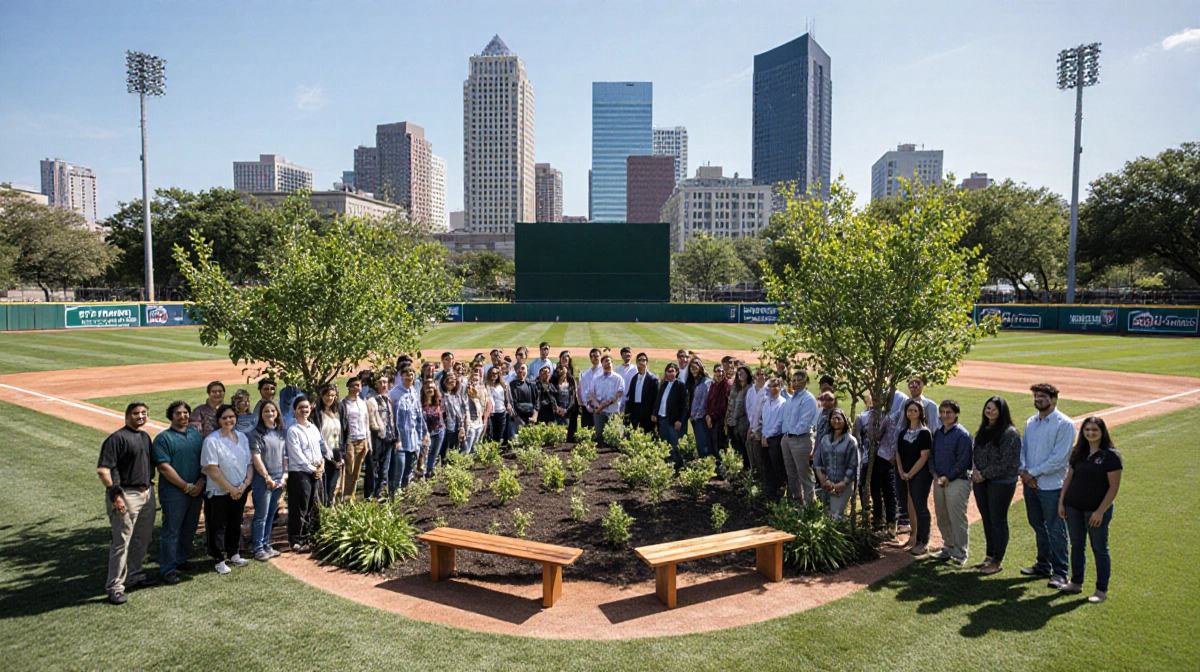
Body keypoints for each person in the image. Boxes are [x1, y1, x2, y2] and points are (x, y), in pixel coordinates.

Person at [98, 402, 157, 604]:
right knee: (121, 543)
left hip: (146, 493)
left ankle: (135, 574)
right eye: (136, 413)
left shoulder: (144, 436)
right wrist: (116, 496)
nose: (141, 416)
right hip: (125, 494)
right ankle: (115, 586)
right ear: (127, 416)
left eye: (144, 413)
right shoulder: (117, 438)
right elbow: (104, 470)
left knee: (143, 537)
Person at [1059, 417, 1122, 603]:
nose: (1090, 433)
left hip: (1095, 511)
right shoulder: (1078, 452)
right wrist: (1061, 502)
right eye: (1087, 430)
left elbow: (1113, 488)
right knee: (1077, 545)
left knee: (1100, 549)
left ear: (1102, 432)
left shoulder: (1111, 456)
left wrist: (1100, 511)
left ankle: (1101, 590)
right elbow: (1068, 479)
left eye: (1095, 430)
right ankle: (1076, 582)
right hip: (1073, 507)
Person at [1020, 383, 1075, 589]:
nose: (1038, 399)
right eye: (1036, 396)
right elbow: (1023, 450)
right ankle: (1043, 565)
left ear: (1053, 399)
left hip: (1052, 486)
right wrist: (1024, 472)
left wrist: (1031, 473)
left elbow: (1059, 459)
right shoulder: (1031, 422)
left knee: (1056, 529)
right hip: (1030, 484)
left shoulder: (1064, 424)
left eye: (1043, 396)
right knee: (1037, 525)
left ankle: (1061, 572)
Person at [967, 395, 1021, 574]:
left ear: (1001, 411)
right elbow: (975, 452)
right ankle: (989, 557)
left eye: (993, 409)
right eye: (987, 408)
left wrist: (983, 474)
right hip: (981, 481)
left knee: (998, 520)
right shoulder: (984, 429)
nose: (989, 411)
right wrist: (976, 471)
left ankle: (997, 560)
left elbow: (1007, 462)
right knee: (987, 520)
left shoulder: (1010, 432)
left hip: (1001, 482)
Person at [153, 401, 205, 585]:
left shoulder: (194, 435)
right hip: (174, 492)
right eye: (178, 413)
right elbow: (164, 467)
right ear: (171, 416)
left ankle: (181, 559)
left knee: (189, 527)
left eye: (185, 413)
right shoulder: (163, 438)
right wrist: (185, 486)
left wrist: (200, 483)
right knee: (171, 530)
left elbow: (204, 461)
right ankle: (168, 569)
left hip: (196, 490)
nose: (183, 416)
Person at [200, 404, 252, 574]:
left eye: (232, 417)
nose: (229, 420)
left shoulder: (242, 437)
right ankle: (220, 559)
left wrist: (243, 486)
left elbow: (249, 464)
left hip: (240, 490)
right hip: (220, 491)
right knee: (219, 525)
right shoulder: (212, 441)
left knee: (235, 521)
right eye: (225, 418)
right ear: (218, 421)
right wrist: (230, 488)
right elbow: (211, 468)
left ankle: (234, 553)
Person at [930, 400, 974, 566]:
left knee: (957, 518)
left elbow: (963, 461)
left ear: (956, 414)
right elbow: (932, 455)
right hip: (939, 480)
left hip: (957, 481)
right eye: (942, 412)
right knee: (942, 515)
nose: (944, 415)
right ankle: (948, 547)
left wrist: (947, 477)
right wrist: (935, 474)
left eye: (948, 412)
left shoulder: (962, 434)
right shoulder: (938, 432)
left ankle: (961, 553)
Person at [248, 400, 287, 561]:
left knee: (271, 514)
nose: (270, 414)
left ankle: (267, 544)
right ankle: (258, 548)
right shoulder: (256, 433)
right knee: (261, 515)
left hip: (279, 479)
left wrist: (285, 475)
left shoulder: (280, 432)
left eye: (272, 410)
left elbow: (285, 456)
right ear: (260, 414)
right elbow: (256, 458)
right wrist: (267, 477)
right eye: (266, 411)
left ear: (277, 412)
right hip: (263, 481)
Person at [894, 399, 934, 555]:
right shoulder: (903, 432)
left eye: (915, 410)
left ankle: (923, 541)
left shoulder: (925, 433)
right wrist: (901, 471)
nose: (911, 413)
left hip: (920, 474)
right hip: (903, 474)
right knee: (908, 504)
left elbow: (924, 456)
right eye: (909, 410)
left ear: (920, 413)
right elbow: (897, 453)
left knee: (920, 506)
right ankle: (914, 536)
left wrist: (910, 473)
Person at [855, 395, 898, 536]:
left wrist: (891, 455)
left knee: (887, 489)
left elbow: (892, 438)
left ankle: (892, 522)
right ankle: (877, 518)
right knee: (871, 488)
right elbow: (858, 438)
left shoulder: (888, 417)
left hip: (884, 458)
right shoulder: (862, 417)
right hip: (868, 457)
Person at [285, 396, 324, 550]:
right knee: (300, 507)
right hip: (300, 473)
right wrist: (313, 469)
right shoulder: (293, 431)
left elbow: (319, 448)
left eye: (306, 407)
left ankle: (309, 537)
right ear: (294, 410)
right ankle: (297, 540)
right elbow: (297, 455)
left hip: (315, 471)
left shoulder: (313, 427)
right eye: (300, 407)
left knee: (313, 506)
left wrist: (320, 466)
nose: (304, 410)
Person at [780, 370, 819, 505]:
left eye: (800, 381)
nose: (796, 383)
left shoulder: (808, 399)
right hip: (788, 438)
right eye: (794, 380)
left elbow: (805, 423)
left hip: (800, 439)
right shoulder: (791, 399)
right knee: (791, 473)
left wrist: (792, 434)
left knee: (803, 473)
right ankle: (797, 501)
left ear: (806, 382)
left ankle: (809, 505)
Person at [814, 408, 860, 520]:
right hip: (827, 485)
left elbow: (853, 465)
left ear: (845, 420)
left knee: (836, 516)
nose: (836, 420)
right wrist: (823, 480)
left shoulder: (850, 441)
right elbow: (817, 462)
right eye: (833, 417)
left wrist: (842, 483)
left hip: (843, 485)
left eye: (839, 418)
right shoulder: (825, 439)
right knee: (826, 517)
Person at [391, 364, 427, 491]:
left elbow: (419, 415)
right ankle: (395, 491)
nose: (409, 377)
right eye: (406, 375)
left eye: (411, 374)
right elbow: (393, 419)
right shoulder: (394, 394)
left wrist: (423, 433)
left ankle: (405, 490)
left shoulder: (414, 392)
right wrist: (396, 438)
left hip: (413, 437)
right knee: (399, 467)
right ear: (401, 376)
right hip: (400, 439)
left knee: (410, 466)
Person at [310, 384, 345, 502]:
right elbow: (317, 433)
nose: (330, 398)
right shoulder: (317, 413)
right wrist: (325, 450)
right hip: (323, 453)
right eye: (327, 395)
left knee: (332, 485)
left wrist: (341, 453)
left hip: (335, 451)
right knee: (323, 485)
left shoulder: (338, 410)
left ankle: (329, 506)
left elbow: (343, 432)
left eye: (332, 396)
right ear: (321, 395)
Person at [339, 378, 371, 501]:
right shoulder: (344, 404)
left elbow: (366, 422)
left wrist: (368, 441)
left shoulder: (363, 403)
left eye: (359, 385)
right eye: (355, 385)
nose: (358, 388)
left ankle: (350, 496)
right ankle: (344, 496)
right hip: (351, 440)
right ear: (350, 387)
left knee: (357, 471)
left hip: (363, 439)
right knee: (349, 469)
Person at [366, 375, 397, 499]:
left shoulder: (387, 399)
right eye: (381, 382)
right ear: (376, 384)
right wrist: (379, 431)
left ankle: (380, 494)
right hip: (377, 439)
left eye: (386, 382)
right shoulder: (371, 400)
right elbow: (372, 421)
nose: (384, 385)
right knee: (375, 468)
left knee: (384, 469)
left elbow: (391, 419)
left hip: (389, 439)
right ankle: (372, 495)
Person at [758, 378, 788, 500]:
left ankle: (780, 492)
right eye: (770, 386)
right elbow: (764, 421)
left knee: (777, 466)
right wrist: (763, 435)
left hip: (776, 438)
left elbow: (780, 423)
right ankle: (769, 491)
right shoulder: (767, 403)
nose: (772, 389)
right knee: (767, 465)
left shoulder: (783, 403)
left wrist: (768, 435)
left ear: (780, 388)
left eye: (775, 386)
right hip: (765, 437)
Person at [653, 363, 688, 462]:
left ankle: (678, 464)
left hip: (673, 419)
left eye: (672, 371)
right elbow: (658, 400)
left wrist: (679, 420)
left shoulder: (680, 385)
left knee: (674, 443)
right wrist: (655, 413)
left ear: (677, 372)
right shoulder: (664, 384)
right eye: (668, 371)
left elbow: (683, 405)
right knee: (664, 442)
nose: (670, 373)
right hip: (662, 417)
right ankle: (666, 463)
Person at [590, 354, 626, 445]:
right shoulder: (596, 379)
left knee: (614, 436)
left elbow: (619, 394)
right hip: (599, 412)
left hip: (613, 411)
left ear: (612, 363)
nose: (608, 363)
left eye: (609, 361)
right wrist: (598, 406)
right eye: (605, 361)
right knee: (600, 436)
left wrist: (603, 405)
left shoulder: (618, 378)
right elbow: (591, 394)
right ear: (601, 364)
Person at [744, 368, 770, 481]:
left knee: (760, 455)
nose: (760, 376)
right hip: (752, 426)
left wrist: (759, 429)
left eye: (762, 374)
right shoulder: (750, 391)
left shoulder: (768, 391)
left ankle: (763, 480)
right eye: (758, 374)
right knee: (750, 450)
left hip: (762, 429)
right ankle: (754, 476)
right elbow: (748, 408)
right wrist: (751, 426)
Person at [625, 352, 659, 435]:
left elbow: (656, 398)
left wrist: (654, 413)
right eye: (639, 360)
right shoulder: (634, 378)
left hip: (647, 411)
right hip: (635, 410)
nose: (641, 362)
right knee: (635, 433)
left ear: (646, 362)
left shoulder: (653, 379)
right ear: (636, 363)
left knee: (647, 434)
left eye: (643, 360)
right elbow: (631, 397)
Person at [726, 366, 753, 464]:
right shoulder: (734, 387)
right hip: (731, 420)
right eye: (739, 373)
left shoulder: (750, 388)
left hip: (744, 420)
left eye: (743, 373)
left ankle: (748, 467)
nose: (740, 375)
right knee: (736, 446)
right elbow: (729, 405)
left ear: (748, 375)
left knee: (745, 446)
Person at [705, 363, 732, 460]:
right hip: (712, 418)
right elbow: (708, 402)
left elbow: (724, 405)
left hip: (721, 419)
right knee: (713, 443)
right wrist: (708, 415)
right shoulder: (713, 385)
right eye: (717, 371)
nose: (719, 373)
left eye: (721, 371)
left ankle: (722, 467)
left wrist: (714, 417)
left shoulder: (726, 385)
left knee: (720, 444)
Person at [420, 378, 446, 477]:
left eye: (432, 387)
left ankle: (429, 474)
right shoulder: (420, 403)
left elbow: (444, 415)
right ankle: (421, 475)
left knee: (434, 455)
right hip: (426, 434)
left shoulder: (439, 401)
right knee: (424, 456)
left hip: (439, 431)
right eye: (427, 387)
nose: (430, 389)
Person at [687, 359, 712, 456]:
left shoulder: (706, 382)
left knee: (703, 443)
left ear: (701, 367)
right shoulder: (694, 382)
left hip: (701, 418)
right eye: (691, 367)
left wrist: (697, 415)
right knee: (699, 443)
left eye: (696, 366)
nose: (693, 369)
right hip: (695, 418)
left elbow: (705, 402)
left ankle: (706, 465)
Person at [463, 369, 490, 453]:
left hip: (479, 421)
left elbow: (485, 404)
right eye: (473, 375)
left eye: (477, 376)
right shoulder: (465, 389)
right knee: (467, 446)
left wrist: (484, 418)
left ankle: (472, 463)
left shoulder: (483, 389)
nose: (475, 378)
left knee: (475, 445)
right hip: (470, 421)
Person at [484, 367, 513, 445]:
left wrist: (508, 406)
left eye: (496, 373)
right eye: (492, 373)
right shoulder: (486, 385)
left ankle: (496, 451)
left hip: (501, 412)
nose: (494, 375)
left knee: (499, 435)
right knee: (490, 434)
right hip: (491, 413)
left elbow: (507, 399)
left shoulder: (503, 384)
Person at [441, 373, 467, 456]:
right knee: (445, 450)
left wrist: (462, 425)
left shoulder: (456, 395)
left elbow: (460, 412)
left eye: (454, 379)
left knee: (456, 448)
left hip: (457, 427)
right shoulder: (442, 396)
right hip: (447, 428)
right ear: (444, 382)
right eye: (450, 379)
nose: (452, 381)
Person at [578, 348, 602, 431]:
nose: (595, 357)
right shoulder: (586, 373)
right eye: (592, 356)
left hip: (601, 406)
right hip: (588, 408)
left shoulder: (604, 371)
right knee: (587, 430)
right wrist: (587, 405)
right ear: (590, 358)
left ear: (600, 357)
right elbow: (583, 390)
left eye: (596, 355)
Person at [509, 363, 539, 428]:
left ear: (527, 370)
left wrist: (535, 416)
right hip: (516, 421)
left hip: (530, 420)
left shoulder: (532, 385)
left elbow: (536, 402)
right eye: (518, 369)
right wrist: (517, 419)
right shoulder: (511, 386)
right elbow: (511, 404)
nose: (520, 371)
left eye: (523, 368)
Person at [557, 351, 578, 440]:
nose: (565, 361)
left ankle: (571, 439)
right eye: (563, 359)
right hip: (560, 404)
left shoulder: (573, 372)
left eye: (567, 359)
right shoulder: (556, 372)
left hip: (571, 403)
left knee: (572, 424)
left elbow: (575, 389)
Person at [617, 347, 638, 411]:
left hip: (631, 398)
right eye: (625, 352)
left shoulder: (635, 369)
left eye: (629, 352)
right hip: (620, 399)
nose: (627, 354)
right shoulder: (618, 369)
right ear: (622, 355)